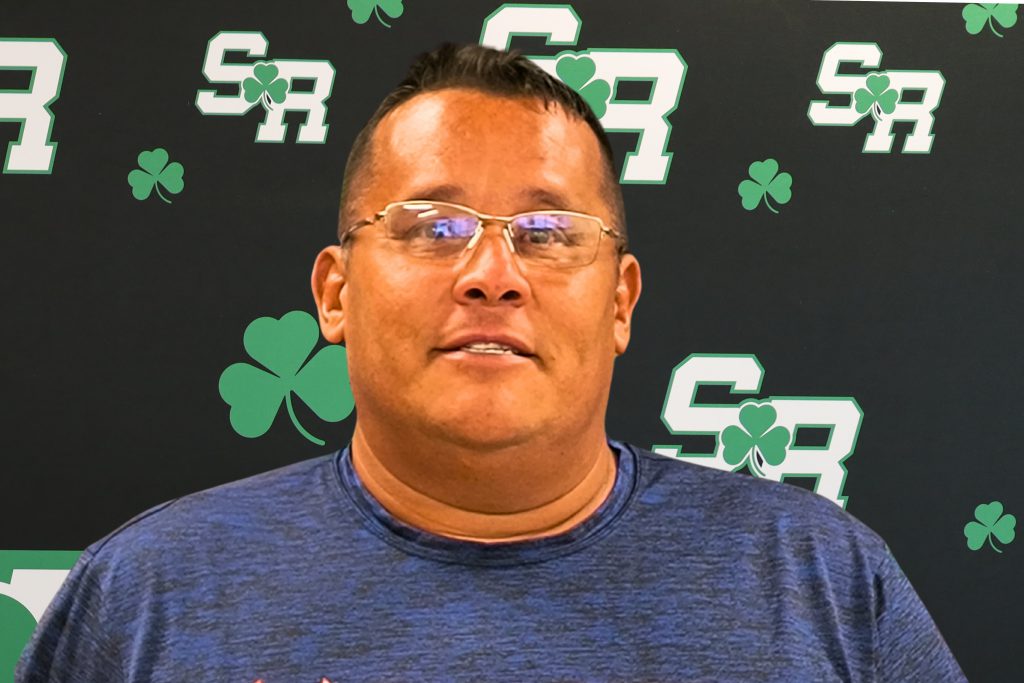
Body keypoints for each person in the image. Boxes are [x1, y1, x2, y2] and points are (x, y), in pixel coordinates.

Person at [17, 43, 967, 682]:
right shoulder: (150, 596)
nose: (491, 275)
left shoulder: (822, 582)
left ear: (622, 300)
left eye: (549, 232)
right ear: (336, 293)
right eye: (433, 227)